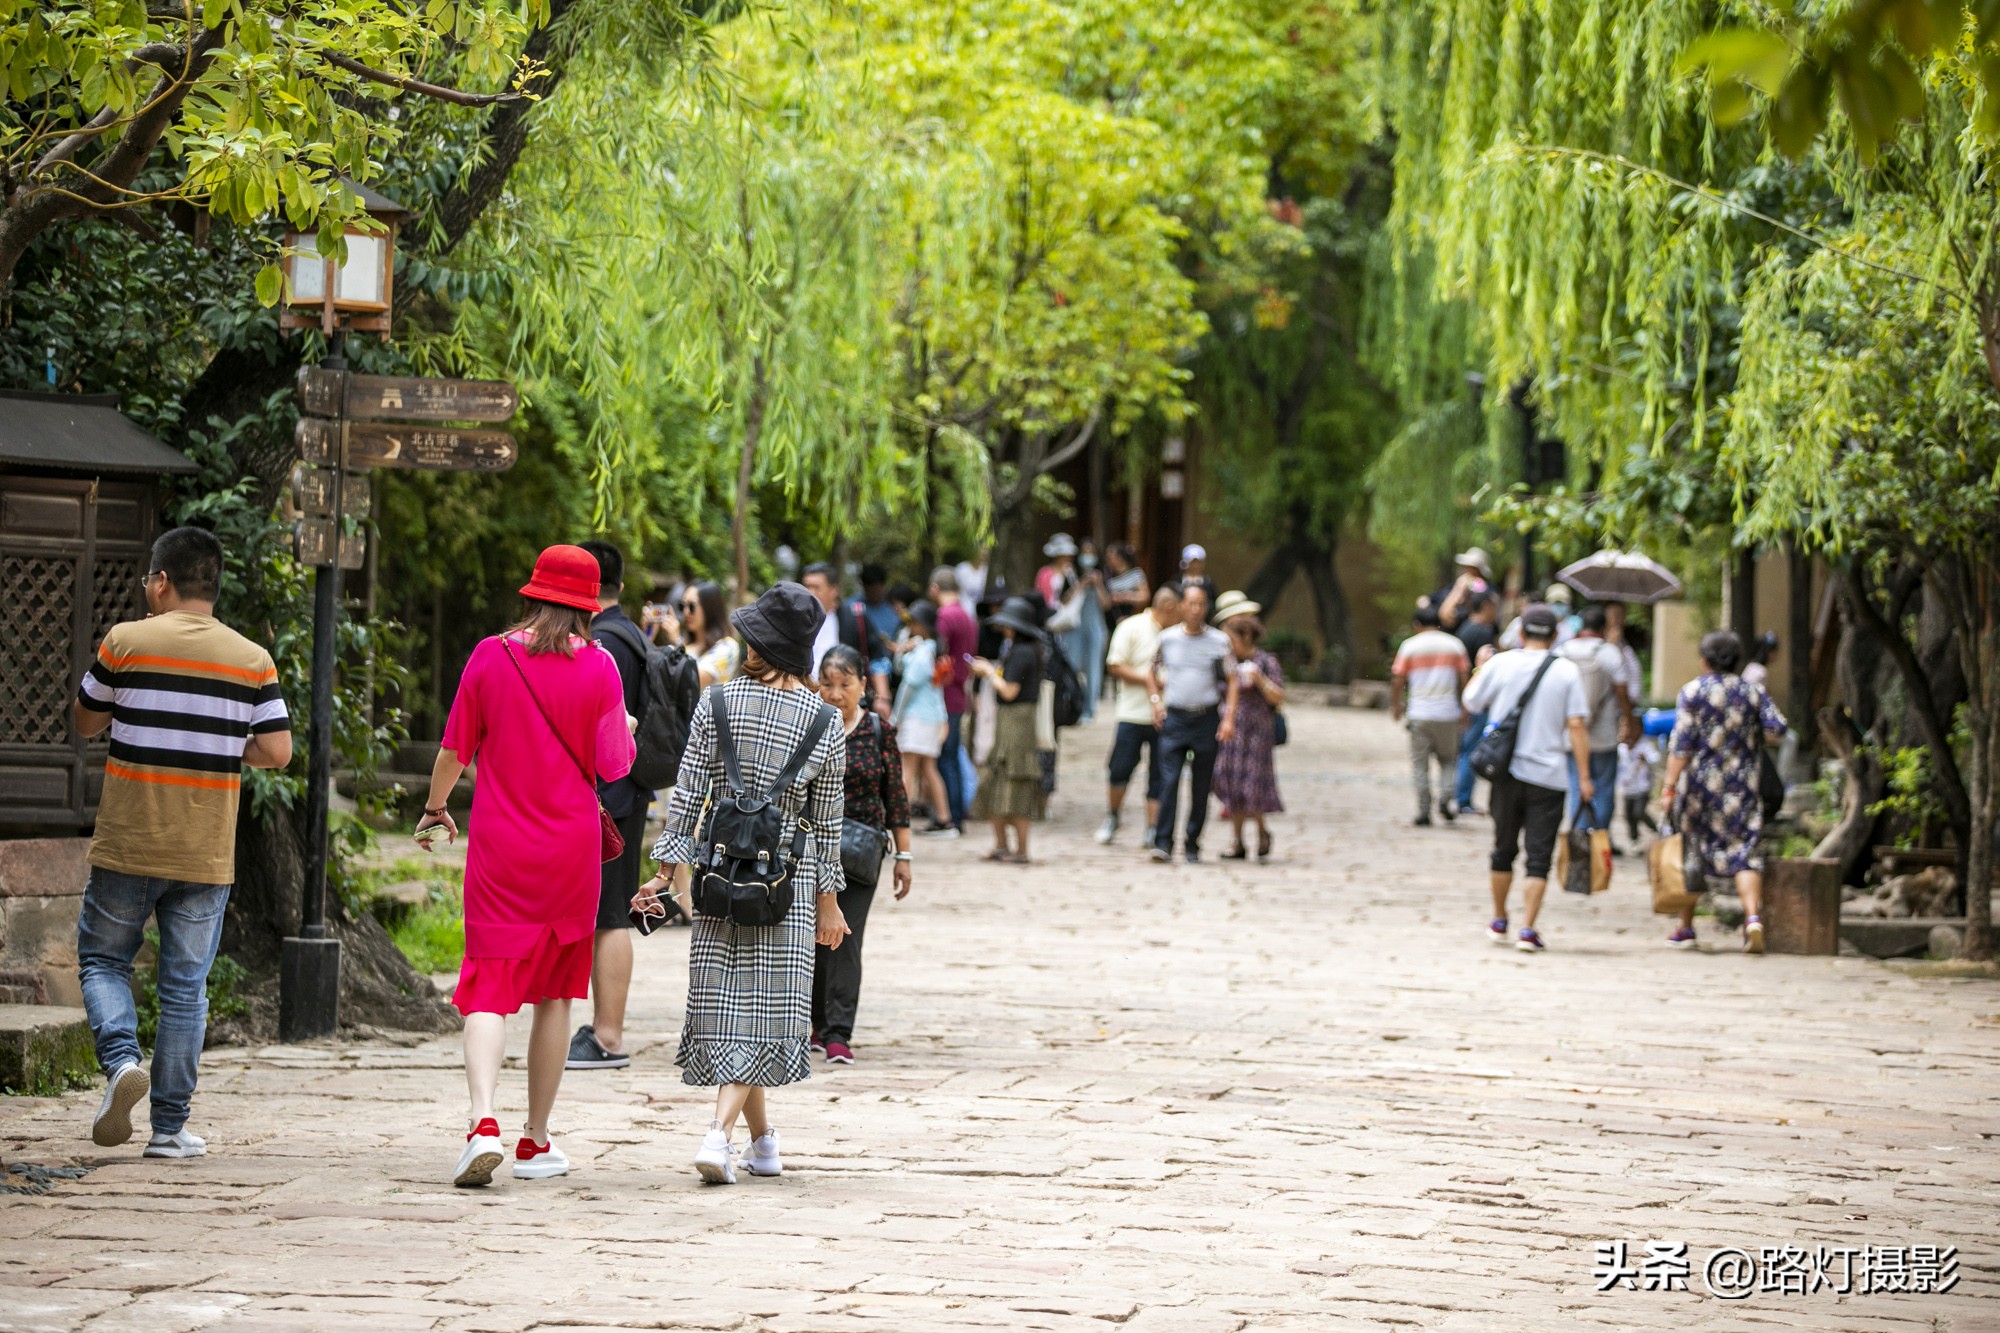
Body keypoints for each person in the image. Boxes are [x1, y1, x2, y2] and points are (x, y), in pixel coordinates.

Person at [415, 544, 637, 1185]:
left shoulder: (491, 654)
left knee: (488, 987)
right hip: (570, 855)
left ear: (532, 595)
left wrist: (435, 807)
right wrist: (622, 722)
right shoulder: (601, 669)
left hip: (499, 848)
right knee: (555, 996)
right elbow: (617, 765)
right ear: (590, 606)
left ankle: (482, 1120)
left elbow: (455, 749)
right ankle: (535, 1143)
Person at [71, 526, 293, 1159]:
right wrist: (224, 747)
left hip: (128, 843)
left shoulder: (126, 641)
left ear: (162, 581)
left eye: (149, 581)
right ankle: (169, 1129)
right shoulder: (252, 658)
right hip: (204, 850)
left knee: (104, 960)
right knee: (184, 989)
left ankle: (119, 1063)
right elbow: (277, 752)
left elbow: (86, 721)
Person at [633, 581, 849, 1183]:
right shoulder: (825, 721)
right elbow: (826, 825)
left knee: (731, 1008)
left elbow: (687, 794)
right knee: (763, 1014)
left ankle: (764, 1142)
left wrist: (664, 872)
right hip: (788, 884)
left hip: (719, 876)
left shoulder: (718, 704)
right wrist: (829, 904)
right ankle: (718, 1135)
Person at [564, 541, 658, 1074]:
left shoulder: (605, 643)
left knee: (611, 913)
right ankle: (604, 1030)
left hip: (611, 793)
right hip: (624, 790)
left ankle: (607, 1035)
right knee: (610, 909)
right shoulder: (629, 634)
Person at [1460, 603, 1592, 954]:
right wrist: (1584, 776)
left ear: (1520, 634)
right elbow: (1577, 725)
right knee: (1538, 855)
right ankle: (1528, 928)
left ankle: (1499, 917)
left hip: (1505, 773)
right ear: (1554, 636)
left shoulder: (1501, 663)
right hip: (1549, 776)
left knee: (1503, 848)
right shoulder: (1566, 671)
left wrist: (1480, 669)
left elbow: (1471, 701)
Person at [809, 645, 913, 1065]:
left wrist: (905, 856)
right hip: (813, 848)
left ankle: (838, 1031)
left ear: (863, 686)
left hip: (861, 852)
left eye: (845, 684)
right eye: (827, 684)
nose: (835, 693)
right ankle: (814, 1023)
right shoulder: (810, 726)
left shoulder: (878, 730)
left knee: (846, 940)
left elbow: (897, 795)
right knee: (811, 940)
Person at [1659, 630, 1788, 953]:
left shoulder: (1692, 692)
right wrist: (1749, 735)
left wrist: (1669, 786)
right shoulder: (1751, 691)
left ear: (1704, 661)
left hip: (1700, 787)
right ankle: (1753, 919)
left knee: (1692, 851)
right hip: (1742, 787)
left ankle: (1686, 926)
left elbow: (1681, 745)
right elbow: (1778, 729)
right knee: (1746, 854)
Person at [1148, 583, 1239, 864]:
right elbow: (1151, 670)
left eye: (1201, 604)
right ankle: (1162, 841)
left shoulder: (1219, 642)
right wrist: (1155, 701)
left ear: (1206, 607)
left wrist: (1228, 718)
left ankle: (1192, 842)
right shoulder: (1168, 638)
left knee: (1201, 785)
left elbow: (1233, 679)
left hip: (1206, 717)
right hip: (1175, 717)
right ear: (1181, 606)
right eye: (1191, 603)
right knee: (1169, 780)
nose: (1196, 609)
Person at [1099, 583, 1180, 845]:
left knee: (1159, 774)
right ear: (1169, 607)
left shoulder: (1176, 635)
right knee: (1120, 768)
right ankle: (1113, 815)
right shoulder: (1132, 627)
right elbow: (1115, 665)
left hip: (1165, 716)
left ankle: (1153, 828)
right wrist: (1149, 680)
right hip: (1132, 713)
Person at [969, 596, 1048, 862]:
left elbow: (1010, 691)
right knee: (995, 781)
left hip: (1017, 723)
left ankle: (1021, 849)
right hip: (1010, 723)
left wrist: (989, 672)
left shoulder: (1023, 652)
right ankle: (1003, 844)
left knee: (1015, 781)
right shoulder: (1021, 649)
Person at [1210, 594, 1286, 860]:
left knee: (1252, 785)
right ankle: (1238, 840)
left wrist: (1260, 680)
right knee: (1230, 781)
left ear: (1246, 637)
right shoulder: (1225, 664)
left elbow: (1279, 697)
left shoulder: (1266, 662)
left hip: (1257, 733)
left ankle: (1261, 831)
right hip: (1231, 730)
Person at [1556, 604, 1634, 833]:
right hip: (1604, 734)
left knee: (1576, 783)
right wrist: (1629, 720)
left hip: (1572, 732)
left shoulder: (1563, 652)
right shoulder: (1609, 653)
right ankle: (1600, 838)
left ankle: (1579, 836)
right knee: (1604, 787)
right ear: (1603, 627)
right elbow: (1622, 692)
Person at [1391, 605, 1471, 826]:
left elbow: (1398, 679)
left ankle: (1424, 810)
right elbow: (1464, 678)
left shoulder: (1410, 646)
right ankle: (1446, 798)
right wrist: (1465, 708)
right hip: (1448, 713)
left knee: (1420, 765)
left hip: (1420, 713)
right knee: (1449, 761)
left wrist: (1396, 705)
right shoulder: (1454, 645)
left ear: (1416, 625)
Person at [892, 600, 952, 829]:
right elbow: (898, 667)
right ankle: (944, 818)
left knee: (907, 770)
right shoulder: (926, 648)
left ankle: (899, 821)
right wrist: (902, 645)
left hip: (917, 718)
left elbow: (908, 684)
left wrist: (896, 715)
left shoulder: (924, 651)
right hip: (930, 718)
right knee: (928, 769)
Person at [927, 566, 977, 836]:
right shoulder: (967, 616)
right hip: (959, 694)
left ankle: (950, 818)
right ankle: (956, 815)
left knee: (944, 758)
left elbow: (939, 654)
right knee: (953, 757)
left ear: (935, 588)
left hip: (944, 695)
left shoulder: (944, 617)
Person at [802, 562, 891, 714]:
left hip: (844, 704)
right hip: (805, 704)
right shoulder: (796, 621)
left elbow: (877, 658)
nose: (810, 593)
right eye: (806, 587)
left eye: (816, 587)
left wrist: (882, 698)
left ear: (833, 590)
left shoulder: (854, 618)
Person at [1453, 592, 1501, 815]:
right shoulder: (1483, 633)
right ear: (1486, 606)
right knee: (1471, 750)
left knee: (1465, 749)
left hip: (1464, 696)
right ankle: (1463, 799)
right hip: (1477, 700)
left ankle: (1461, 796)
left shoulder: (1465, 629)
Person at [1068, 538, 1109, 722]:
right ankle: (1074, 704)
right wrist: (1081, 584)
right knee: (1073, 666)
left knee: (1094, 669)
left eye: (1091, 552)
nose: (1087, 556)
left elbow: (1106, 604)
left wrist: (1098, 584)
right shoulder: (1071, 575)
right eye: (1084, 552)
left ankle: (1089, 709)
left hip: (1096, 628)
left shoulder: (1103, 576)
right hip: (1074, 628)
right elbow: (1064, 601)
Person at [670, 580, 740, 686]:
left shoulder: (727, 647)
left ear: (709, 608)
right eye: (682, 605)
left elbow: (693, 680)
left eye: (691, 606)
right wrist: (648, 635)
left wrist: (677, 642)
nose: (686, 612)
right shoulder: (686, 646)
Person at [1435, 546, 1495, 629]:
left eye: (1470, 567)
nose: (1465, 570)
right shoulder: (1457, 585)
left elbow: (1445, 616)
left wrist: (1459, 591)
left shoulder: (1487, 591)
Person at [1618, 734, 1661, 848]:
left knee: (1639, 812)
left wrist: (1645, 758)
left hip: (1643, 788)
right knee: (1628, 815)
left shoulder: (1645, 746)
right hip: (1628, 788)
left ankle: (1657, 829)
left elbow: (1656, 758)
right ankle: (1634, 838)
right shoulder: (1621, 749)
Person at [1102, 541, 1150, 634]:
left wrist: (1123, 597)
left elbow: (1144, 596)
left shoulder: (1136, 574)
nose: (1108, 561)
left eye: (1111, 557)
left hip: (1131, 619)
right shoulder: (1107, 576)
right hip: (1111, 623)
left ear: (1120, 557)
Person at [1036, 534, 1079, 610]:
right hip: (1051, 612)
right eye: (1065, 555)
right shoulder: (1045, 572)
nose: (1068, 558)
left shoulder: (1070, 572)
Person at [1179, 543, 1216, 609]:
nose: (1195, 566)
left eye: (1198, 562)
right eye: (1192, 562)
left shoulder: (1209, 585)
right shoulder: (1176, 582)